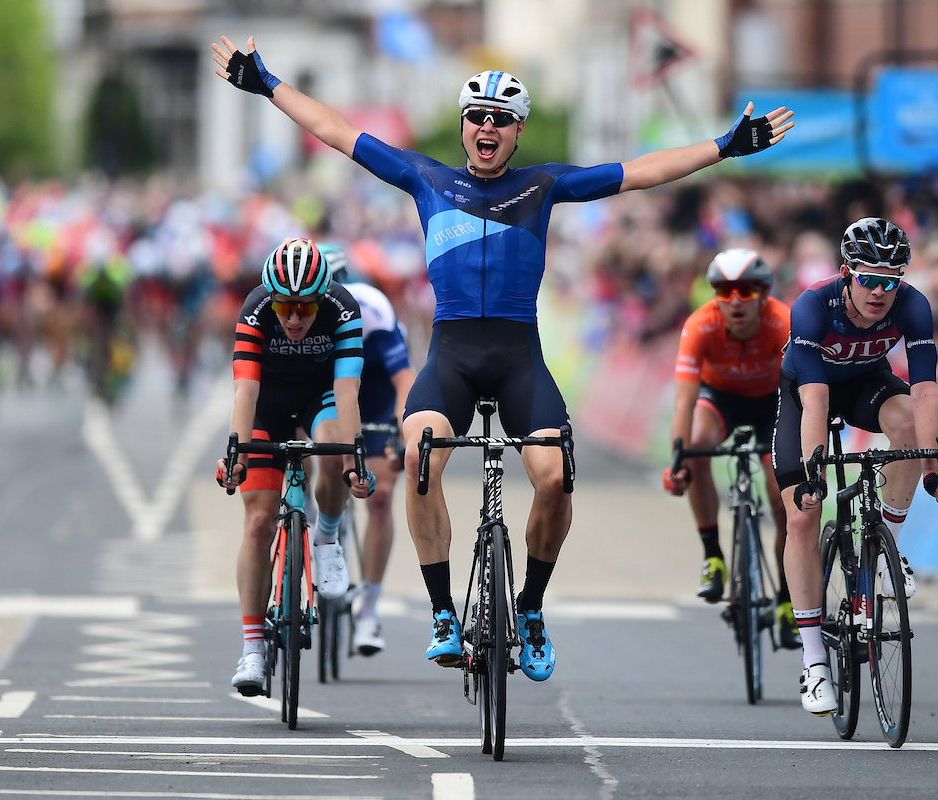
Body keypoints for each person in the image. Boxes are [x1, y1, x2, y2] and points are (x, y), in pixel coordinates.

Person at [212, 35, 793, 681]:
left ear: (517, 132)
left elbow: (642, 170)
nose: (486, 127)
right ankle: (441, 614)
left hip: (519, 356)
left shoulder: (542, 186)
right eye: (476, 115)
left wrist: (725, 145)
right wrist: (267, 84)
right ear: (464, 125)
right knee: (421, 453)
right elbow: (338, 132)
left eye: (501, 118)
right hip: (454, 356)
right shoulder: (427, 179)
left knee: (554, 478)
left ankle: (532, 609)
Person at [772, 217, 938, 715]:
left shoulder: (913, 305)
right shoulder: (814, 305)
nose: (880, 291)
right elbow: (814, 400)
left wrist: (935, 462)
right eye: (868, 278)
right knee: (802, 515)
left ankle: (886, 548)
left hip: (864, 385)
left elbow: (923, 389)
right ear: (845, 272)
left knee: (907, 430)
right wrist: (813, 471)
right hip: (807, 393)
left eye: (890, 279)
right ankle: (814, 661)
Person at [216, 237, 374, 696]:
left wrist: (353, 459)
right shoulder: (256, 308)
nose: (295, 317)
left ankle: (326, 537)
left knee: (331, 446)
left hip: (319, 397)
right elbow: (245, 392)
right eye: (286, 306)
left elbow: (346, 394)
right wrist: (236, 456)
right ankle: (252, 651)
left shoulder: (343, 308)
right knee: (259, 522)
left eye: (305, 306)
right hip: (266, 403)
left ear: (322, 296)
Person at [663, 249, 799, 649]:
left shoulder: (784, 322)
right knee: (698, 447)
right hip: (718, 398)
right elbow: (684, 404)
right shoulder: (699, 325)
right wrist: (677, 460)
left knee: (782, 499)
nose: (736, 300)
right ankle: (714, 557)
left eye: (747, 290)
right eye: (725, 291)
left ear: (764, 293)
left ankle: (789, 602)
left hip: (774, 404)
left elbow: (801, 395)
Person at [318, 242, 416, 656]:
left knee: (381, 496)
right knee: (316, 461)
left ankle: (369, 610)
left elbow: (403, 381)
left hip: (372, 392)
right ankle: (312, 526)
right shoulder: (300, 313)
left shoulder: (372, 307)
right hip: (324, 390)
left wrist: (398, 432)